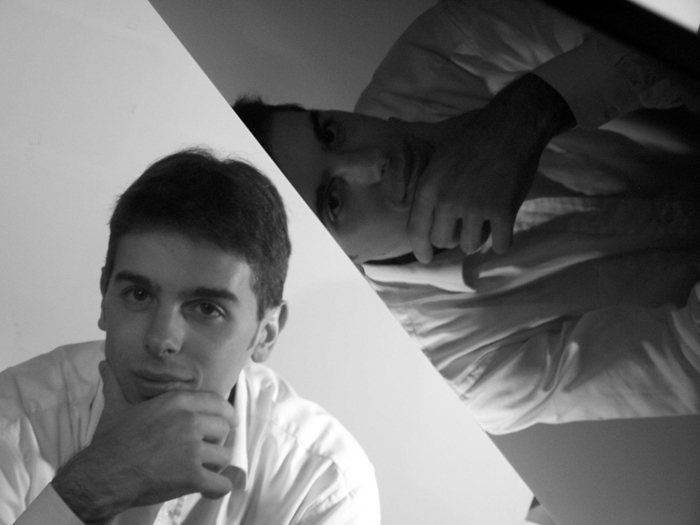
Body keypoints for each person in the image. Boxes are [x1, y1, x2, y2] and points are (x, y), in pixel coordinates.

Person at [234, 0, 700, 434]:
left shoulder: (448, 49)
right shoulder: (464, 368)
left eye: (331, 133)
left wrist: (532, 110)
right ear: (344, 263)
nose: (374, 163)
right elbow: (686, 360)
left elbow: (671, 26)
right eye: (334, 202)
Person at [0, 149, 380, 525]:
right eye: (139, 295)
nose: (161, 339)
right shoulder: (12, 421)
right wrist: (92, 486)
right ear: (104, 297)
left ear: (266, 333)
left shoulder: (323, 484)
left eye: (207, 309)